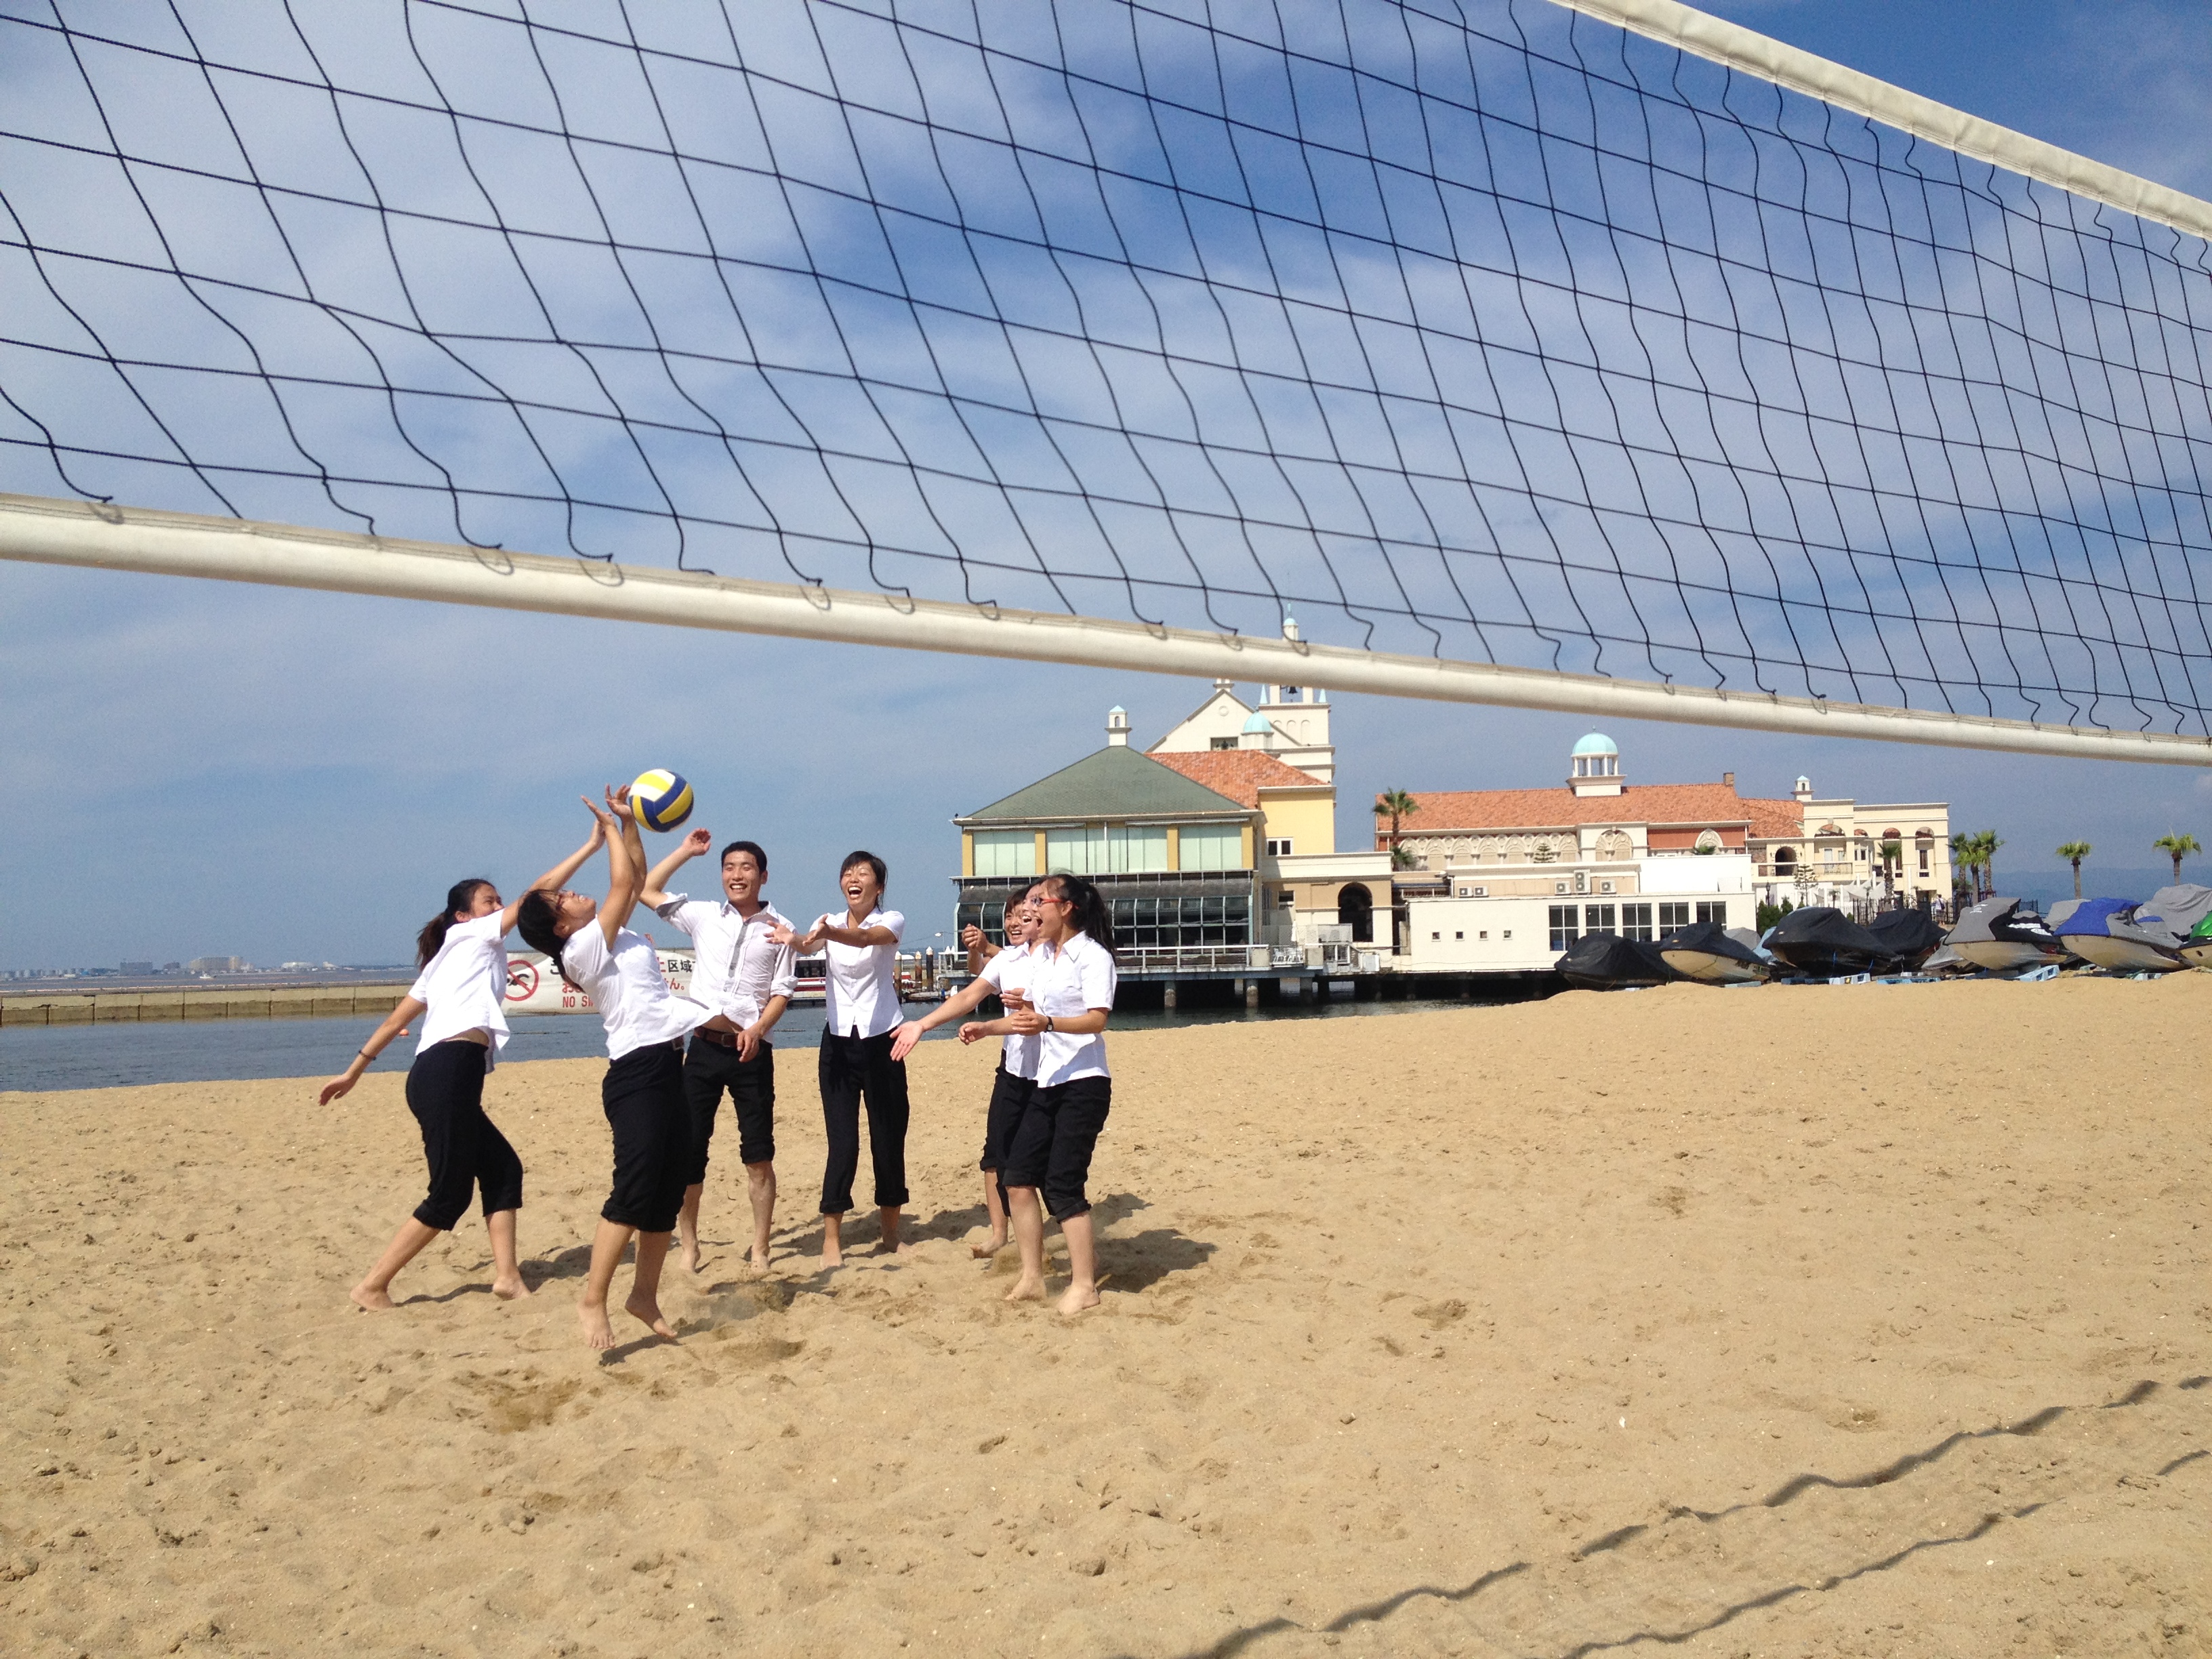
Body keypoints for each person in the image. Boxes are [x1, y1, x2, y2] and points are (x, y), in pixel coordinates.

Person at [319, 814, 607, 1311]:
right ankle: (372, 1285)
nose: (499, 907)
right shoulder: (470, 938)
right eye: (489, 902)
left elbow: (395, 1021)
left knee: (503, 1170)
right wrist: (590, 846)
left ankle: (508, 1278)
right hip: (448, 1070)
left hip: (442, 1073)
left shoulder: (446, 960)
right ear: (463, 917)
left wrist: (354, 1071)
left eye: (498, 901)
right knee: (449, 1196)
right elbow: (537, 895)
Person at [516, 789, 712, 1350]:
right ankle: (592, 1299)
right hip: (635, 1074)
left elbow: (637, 874)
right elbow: (623, 884)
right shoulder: (579, 951)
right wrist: (607, 832)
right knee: (632, 1190)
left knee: (668, 1191)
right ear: (559, 926)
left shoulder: (611, 933)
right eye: (562, 900)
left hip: (668, 1062)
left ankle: (643, 1296)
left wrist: (629, 824)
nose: (572, 894)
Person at [642, 828, 796, 1276]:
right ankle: (689, 1245)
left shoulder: (780, 929)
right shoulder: (704, 915)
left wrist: (759, 1028)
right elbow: (646, 889)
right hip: (703, 1050)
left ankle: (761, 1247)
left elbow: (783, 991)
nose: (737, 875)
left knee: (758, 1155)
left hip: (752, 1053)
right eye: (729, 868)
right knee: (690, 1154)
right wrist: (685, 851)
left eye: (746, 867)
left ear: (763, 876)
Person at [891, 886, 1042, 1258]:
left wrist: (1023, 1006)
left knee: (1044, 1165)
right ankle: (999, 1234)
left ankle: (1058, 1235)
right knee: (994, 1156)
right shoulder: (1007, 960)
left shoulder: (1054, 958)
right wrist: (921, 1025)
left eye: (1023, 915)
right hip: (1013, 1069)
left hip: (1051, 1073)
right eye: (1010, 916)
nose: (1015, 922)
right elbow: (968, 994)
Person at [781, 851, 909, 1266]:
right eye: (847, 873)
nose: (853, 878)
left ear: (879, 886)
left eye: (863, 873)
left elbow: (866, 940)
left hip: (884, 1040)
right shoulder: (829, 921)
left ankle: (891, 1233)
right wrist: (790, 938)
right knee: (843, 1143)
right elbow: (807, 945)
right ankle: (831, 1239)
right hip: (837, 1042)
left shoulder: (891, 921)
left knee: (888, 1139)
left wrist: (828, 933)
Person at [998, 872, 1118, 1315]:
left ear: (1066, 908)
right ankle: (1032, 1277)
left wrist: (1047, 1022)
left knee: (1064, 1184)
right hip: (1047, 1080)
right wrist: (1015, 1015)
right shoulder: (1045, 957)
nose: (1031, 909)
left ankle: (1085, 1286)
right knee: (1017, 1177)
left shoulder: (1093, 956)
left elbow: (1097, 1019)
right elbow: (1034, 1012)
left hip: (1084, 1082)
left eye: (1040, 901)